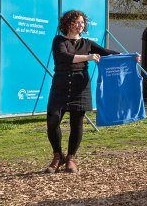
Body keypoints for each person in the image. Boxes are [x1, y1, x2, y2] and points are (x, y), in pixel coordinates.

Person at [44, 10, 140, 174]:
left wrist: (130, 57)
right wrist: (88, 57)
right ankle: (57, 155)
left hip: (80, 88)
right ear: (68, 23)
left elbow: (107, 53)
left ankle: (70, 159)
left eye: (82, 22)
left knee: (77, 125)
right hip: (60, 87)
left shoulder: (87, 43)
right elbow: (64, 57)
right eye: (77, 22)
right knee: (53, 121)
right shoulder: (58, 40)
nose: (80, 25)